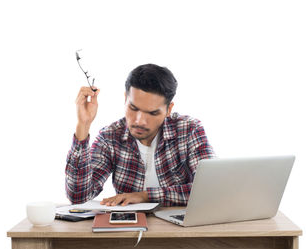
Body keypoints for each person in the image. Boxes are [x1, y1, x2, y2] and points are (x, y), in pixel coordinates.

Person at [65, 63, 215, 207]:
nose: (139, 121)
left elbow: (210, 189)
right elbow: (78, 197)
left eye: (152, 113)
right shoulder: (110, 137)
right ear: (125, 99)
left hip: (179, 229)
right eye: (133, 108)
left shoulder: (189, 130)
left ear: (168, 109)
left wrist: (145, 196)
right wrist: (83, 126)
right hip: (129, 229)